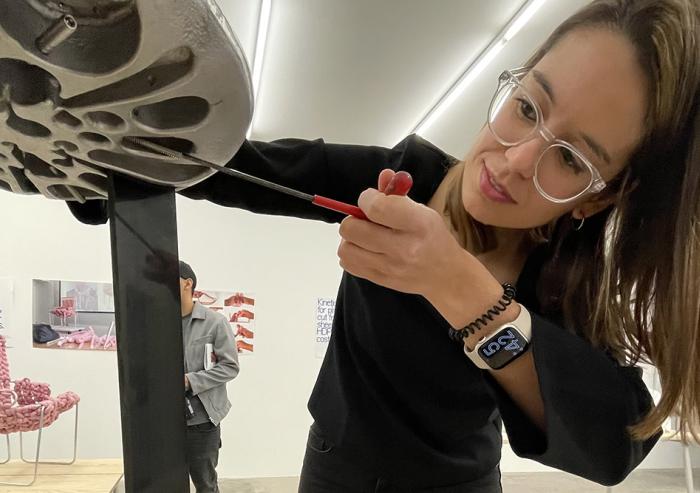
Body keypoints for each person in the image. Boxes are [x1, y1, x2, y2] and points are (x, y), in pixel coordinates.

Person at [69, 0, 700, 491]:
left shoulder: (562, 279)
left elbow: (617, 443)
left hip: (458, 485)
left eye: (568, 159)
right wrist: (118, 168)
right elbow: (251, 169)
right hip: (332, 469)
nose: (513, 162)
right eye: (528, 107)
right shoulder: (405, 177)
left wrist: (463, 290)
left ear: (596, 200)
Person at [179, 261, 240, 493]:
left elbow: (230, 367)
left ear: (188, 284)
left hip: (202, 421)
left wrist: (189, 381)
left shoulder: (215, 323)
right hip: (164, 421)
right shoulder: (160, 323)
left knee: (205, 484)